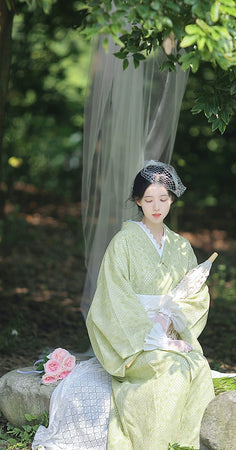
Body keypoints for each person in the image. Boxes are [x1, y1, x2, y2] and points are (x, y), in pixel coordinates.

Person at [32, 160, 215, 450]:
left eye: (164, 199)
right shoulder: (124, 242)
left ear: (172, 199)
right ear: (138, 201)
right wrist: (150, 334)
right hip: (134, 341)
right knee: (168, 370)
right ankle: (154, 443)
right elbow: (113, 299)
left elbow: (196, 296)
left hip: (171, 334)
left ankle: (184, 444)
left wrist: (171, 322)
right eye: (149, 199)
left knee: (196, 367)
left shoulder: (181, 245)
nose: (157, 206)